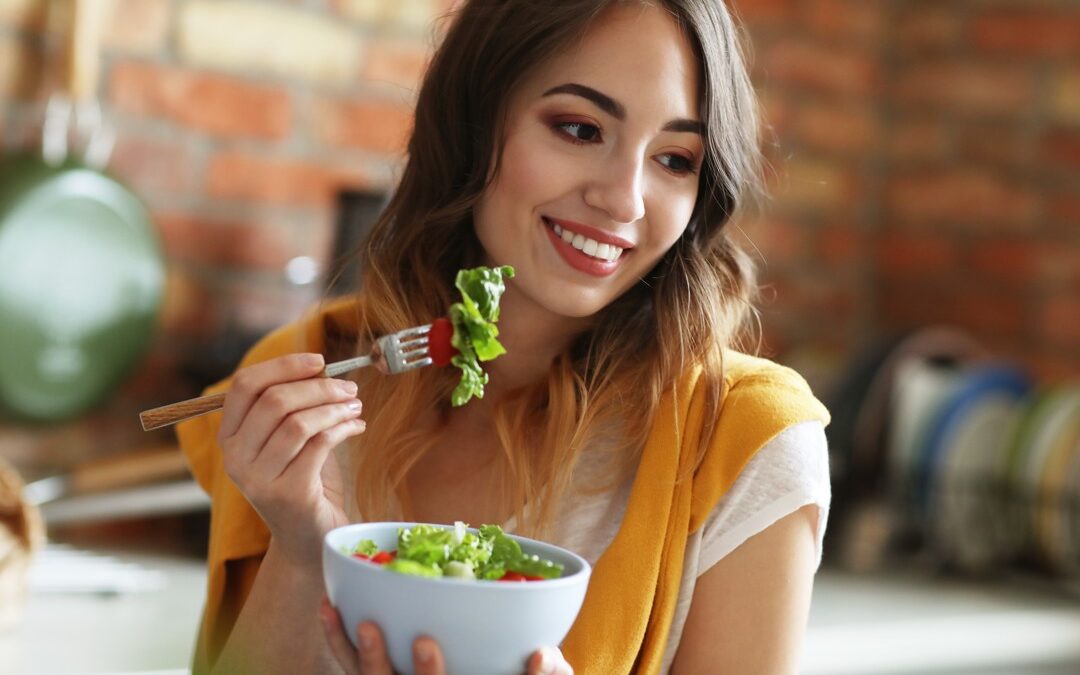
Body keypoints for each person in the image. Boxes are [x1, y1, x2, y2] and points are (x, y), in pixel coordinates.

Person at [176, 0, 832, 673]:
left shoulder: (743, 438)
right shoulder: (310, 378)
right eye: (580, 128)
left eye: (674, 158)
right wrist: (300, 547)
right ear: (473, 123)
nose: (625, 199)